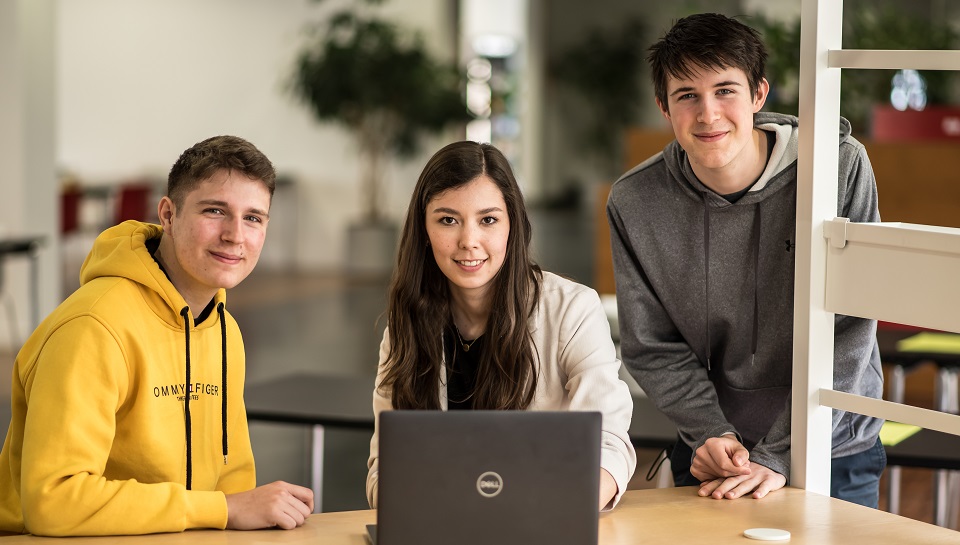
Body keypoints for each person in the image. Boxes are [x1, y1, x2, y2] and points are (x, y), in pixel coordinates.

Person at [607, 13, 885, 507]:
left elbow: (851, 329)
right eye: (687, 95)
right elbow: (652, 346)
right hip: (715, 453)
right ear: (663, 108)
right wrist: (711, 433)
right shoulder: (635, 202)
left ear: (759, 94)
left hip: (833, 447)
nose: (708, 114)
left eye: (725, 90)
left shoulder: (838, 168)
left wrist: (779, 455)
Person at [0, 136, 314, 536]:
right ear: (168, 214)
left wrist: (232, 510)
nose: (236, 235)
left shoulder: (223, 330)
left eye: (253, 218)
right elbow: (53, 501)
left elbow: (232, 485)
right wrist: (219, 509)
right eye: (215, 211)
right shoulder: (93, 327)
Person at [366, 141, 636, 511]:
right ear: (424, 231)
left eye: (488, 220)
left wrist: (557, 512)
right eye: (448, 220)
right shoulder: (405, 325)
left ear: (513, 225)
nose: (469, 241)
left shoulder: (573, 309)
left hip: (544, 520)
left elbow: (609, 446)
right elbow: (385, 468)